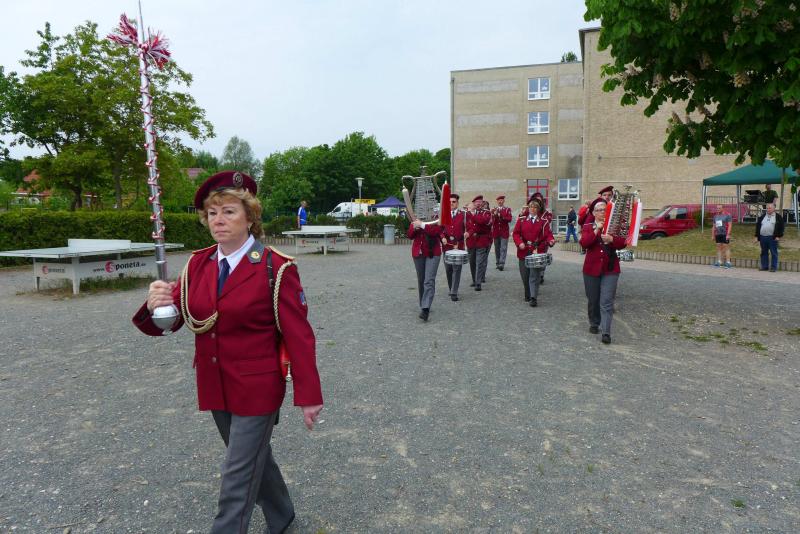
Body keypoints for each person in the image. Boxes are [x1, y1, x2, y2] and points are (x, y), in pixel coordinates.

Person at [132, 171, 323, 534]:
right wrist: (157, 303)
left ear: (250, 217)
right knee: (251, 459)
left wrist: (308, 395)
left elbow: (299, 336)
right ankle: (282, 515)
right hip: (216, 383)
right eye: (212, 212)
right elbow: (174, 319)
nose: (218, 220)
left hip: (258, 388)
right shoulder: (198, 264)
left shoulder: (275, 266)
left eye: (229, 211)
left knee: (236, 475)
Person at [580, 198, 626, 344]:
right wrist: (596, 230)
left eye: (605, 210)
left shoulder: (614, 226)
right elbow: (584, 243)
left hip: (610, 269)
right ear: (593, 213)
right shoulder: (588, 226)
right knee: (593, 299)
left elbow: (623, 242)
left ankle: (606, 332)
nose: (602, 212)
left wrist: (612, 239)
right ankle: (594, 322)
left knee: (606, 301)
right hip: (591, 269)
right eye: (599, 210)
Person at [512, 196, 555, 307]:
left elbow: (548, 234)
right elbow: (515, 233)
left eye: (535, 207)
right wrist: (519, 243)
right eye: (531, 206)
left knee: (534, 275)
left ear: (538, 209)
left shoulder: (543, 221)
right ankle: (528, 293)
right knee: (525, 275)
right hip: (523, 250)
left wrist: (551, 240)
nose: (532, 209)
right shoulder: (522, 219)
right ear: (528, 208)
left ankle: (533, 297)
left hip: (536, 251)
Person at [407, 217, 443, 321]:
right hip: (418, 252)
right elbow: (410, 236)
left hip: (433, 253)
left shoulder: (438, 217)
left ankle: (425, 308)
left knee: (429, 280)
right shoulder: (416, 218)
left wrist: (422, 225)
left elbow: (436, 231)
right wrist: (414, 228)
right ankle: (423, 303)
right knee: (421, 280)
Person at [441, 193, 466, 301]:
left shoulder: (463, 215)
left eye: (454, 202)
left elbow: (469, 228)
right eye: (450, 202)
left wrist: (467, 233)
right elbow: (440, 229)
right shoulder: (444, 215)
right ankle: (451, 288)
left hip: (458, 246)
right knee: (448, 269)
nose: (451, 203)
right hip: (447, 247)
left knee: (457, 269)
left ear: (457, 203)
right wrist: (442, 237)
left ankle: (454, 292)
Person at [465, 195, 492, 291]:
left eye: (480, 202)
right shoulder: (467, 214)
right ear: (473, 203)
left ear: (483, 203)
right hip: (471, 241)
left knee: (480, 262)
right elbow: (467, 225)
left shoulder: (486, 212)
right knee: (472, 262)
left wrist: (472, 215)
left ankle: (478, 282)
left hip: (481, 240)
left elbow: (483, 221)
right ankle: (474, 280)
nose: (478, 204)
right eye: (476, 202)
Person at [755, 202, 784, 272]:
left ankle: (773, 267)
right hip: (763, 237)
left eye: (770, 208)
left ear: (774, 208)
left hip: (772, 238)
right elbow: (758, 226)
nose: (768, 209)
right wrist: (756, 236)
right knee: (764, 252)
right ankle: (764, 266)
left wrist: (778, 236)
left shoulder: (778, 217)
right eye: (767, 208)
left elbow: (781, 227)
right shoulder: (762, 216)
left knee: (773, 253)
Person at [491, 195, 513, 271]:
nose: (500, 201)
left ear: (503, 201)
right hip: (496, 232)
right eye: (499, 200)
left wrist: (501, 215)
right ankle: (497, 262)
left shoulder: (507, 209)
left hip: (504, 232)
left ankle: (502, 263)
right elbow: (492, 221)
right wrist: (494, 215)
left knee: (503, 248)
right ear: (497, 202)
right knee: (497, 248)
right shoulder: (494, 209)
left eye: (501, 200)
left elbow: (509, 219)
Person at [712, 204, 733, 268]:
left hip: (725, 233)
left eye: (719, 208)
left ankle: (728, 262)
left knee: (726, 247)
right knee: (719, 247)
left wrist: (728, 234)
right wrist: (713, 235)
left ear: (723, 208)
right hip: (718, 234)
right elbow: (714, 226)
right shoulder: (715, 216)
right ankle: (719, 261)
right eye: (717, 208)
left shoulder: (728, 215)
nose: (718, 209)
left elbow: (730, 225)